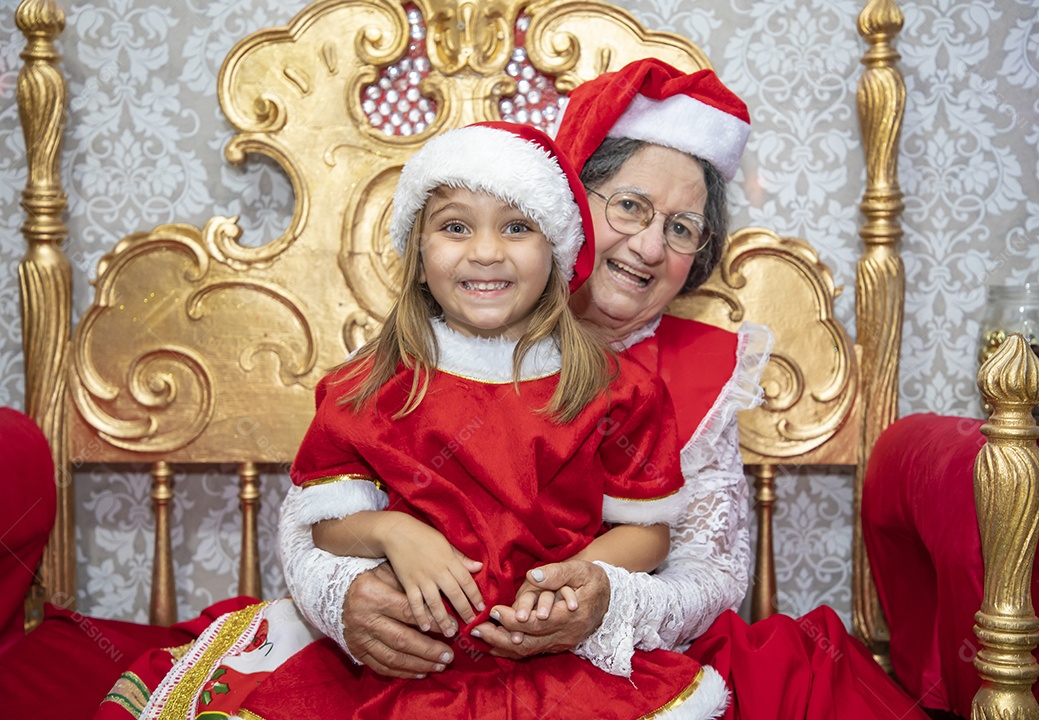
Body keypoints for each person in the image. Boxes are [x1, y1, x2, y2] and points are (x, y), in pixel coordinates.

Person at [132, 122, 726, 720]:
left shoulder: (616, 389)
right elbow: (325, 524)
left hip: (556, 662)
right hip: (408, 665)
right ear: (418, 258)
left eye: (517, 227)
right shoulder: (370, 384)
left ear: (557, 255)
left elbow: (649, 533)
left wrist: (584, 576)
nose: (486, 251)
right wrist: (393, 533)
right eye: (456, 227)